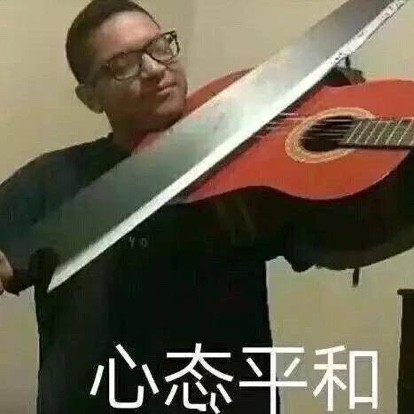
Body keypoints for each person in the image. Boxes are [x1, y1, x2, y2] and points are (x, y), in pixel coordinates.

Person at [0, 1, 359, 413]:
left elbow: (345, 235)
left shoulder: (243, 165)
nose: (154, 69)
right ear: (90, 98)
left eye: (159, 47)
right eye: (122, 65)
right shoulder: (49, 181)